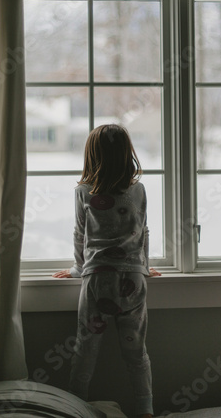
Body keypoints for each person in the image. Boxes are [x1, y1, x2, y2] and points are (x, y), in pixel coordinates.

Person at [53, 124, 161, 418]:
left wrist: (78, 269)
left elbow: (80, 234)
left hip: (99, 278)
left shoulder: (84, 192)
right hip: (134, 280)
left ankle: (75, 405)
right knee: (136, 352)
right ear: (127, 154)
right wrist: (144, 266)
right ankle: (146, 409)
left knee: (86, 347)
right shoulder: (138, 190)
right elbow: (144, 232)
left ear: (92, 155)